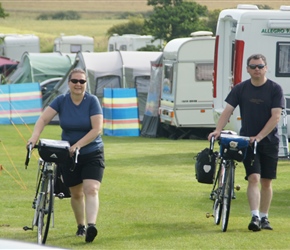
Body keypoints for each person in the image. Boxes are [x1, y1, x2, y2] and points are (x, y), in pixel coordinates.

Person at [208, 54, 284, 231]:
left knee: (266, 181)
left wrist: (259, 136)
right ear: (247, 69)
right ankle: (255, 216)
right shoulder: (240, 89)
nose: (257, 69)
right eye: (253, 66)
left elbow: (276, 116)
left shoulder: (275, 89)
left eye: (260, 66)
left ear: (266, 68)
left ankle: (265, 218)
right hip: (247, 142)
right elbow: (227, 111)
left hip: (269, 141)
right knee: (254, 178)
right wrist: (217, 130)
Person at [27, 68, 105, 243]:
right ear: (69, 83)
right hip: (68, 154)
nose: (78, 84)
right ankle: (81, 226)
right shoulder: (61, 100)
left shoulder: (92, 101)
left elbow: (96, 129)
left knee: (91, 189)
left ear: (86, 84)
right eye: (75, 81)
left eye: (82, 82)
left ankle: (91, 225)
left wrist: (78, 145)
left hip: (92, 152)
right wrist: (34, 138)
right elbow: (43, 119)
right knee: (76, 193)